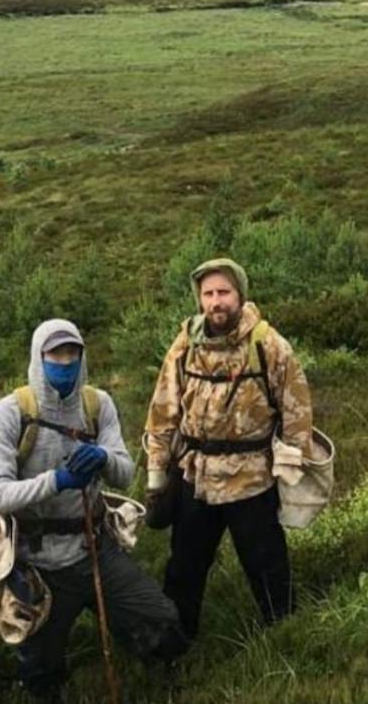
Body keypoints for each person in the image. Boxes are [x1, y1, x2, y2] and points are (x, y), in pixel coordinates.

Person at [0, 318, 186, 701]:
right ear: (38, 358)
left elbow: (125, 476)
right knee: (41, 665)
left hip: (94, 547)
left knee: (160, 619)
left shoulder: (97, 405)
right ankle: (42, 683)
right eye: (55, 354)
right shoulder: (9, 413)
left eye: (72, 353)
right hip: (36, 558)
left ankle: (164, 674)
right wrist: (56, 482)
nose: (64, 362)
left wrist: (104, 457)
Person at [144, 257, 313, 639]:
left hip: (251, 479)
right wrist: (157, 477)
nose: (215, 302)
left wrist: (289, 475)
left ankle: (286, 639)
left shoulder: (268, 344)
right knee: (184, 569)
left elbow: (297, 411)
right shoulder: (186, 343)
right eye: (208, 294)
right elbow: (162, 411)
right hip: (195, 477)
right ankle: (176, 647)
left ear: (239, 295)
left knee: (267, 566)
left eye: (223, 292)